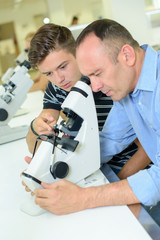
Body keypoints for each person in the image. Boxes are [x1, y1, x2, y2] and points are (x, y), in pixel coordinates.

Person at [24, 22, 151, 215]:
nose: (59, 79)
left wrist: (101, 190)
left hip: (132, 178)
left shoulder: (117, 85)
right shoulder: (62, 87)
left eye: (63, 66)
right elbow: (108, 141)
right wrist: (46, 172)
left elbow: (151, 157)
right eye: (49, 74)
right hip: (103, 172)